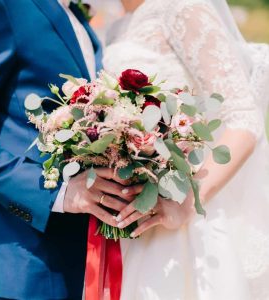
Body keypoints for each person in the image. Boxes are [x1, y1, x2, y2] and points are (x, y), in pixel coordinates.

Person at [0, 0, 139, 299]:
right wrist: (57, 193)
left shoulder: (77, 14)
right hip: (30, 260)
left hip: (90, 257)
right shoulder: (2, 5)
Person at [103, 0, 269, 299]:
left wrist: (189, 200)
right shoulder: (115, 23)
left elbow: (244, 117)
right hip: (131, 218)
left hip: (183, 225)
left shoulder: (182, 7)